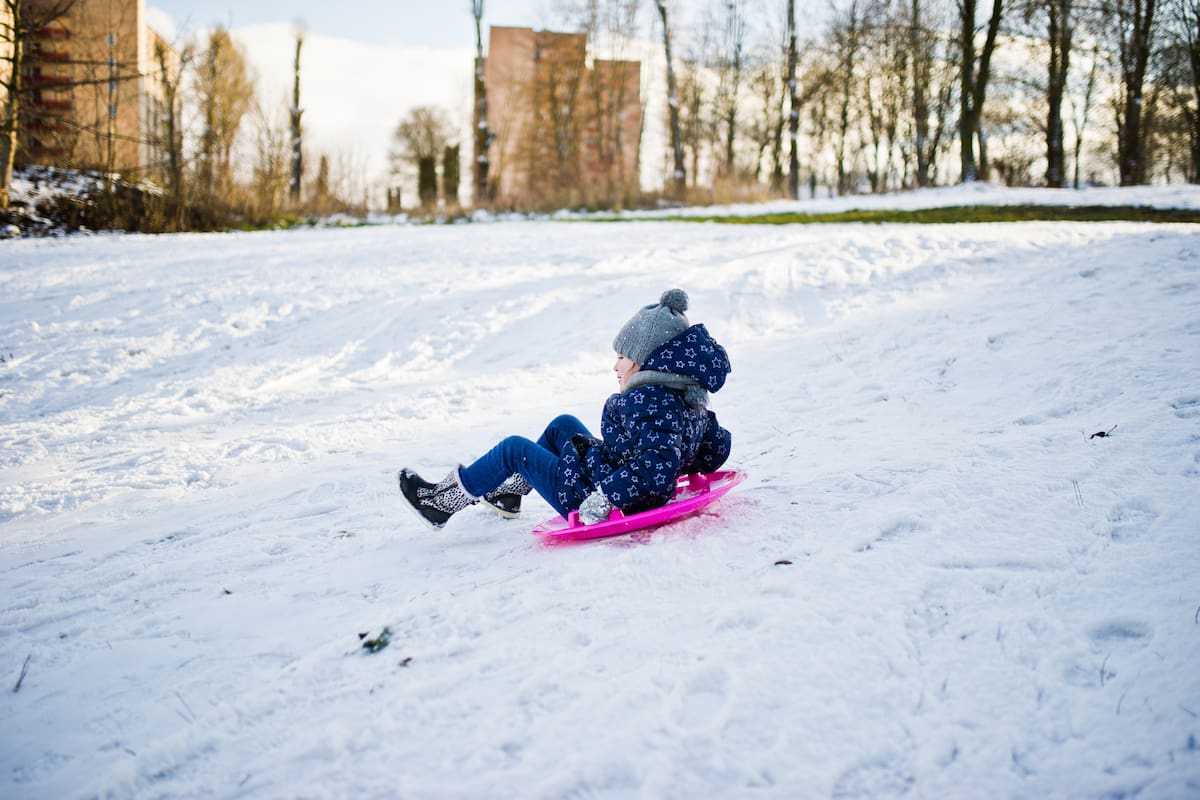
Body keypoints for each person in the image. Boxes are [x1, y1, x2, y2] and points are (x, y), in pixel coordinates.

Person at [398, 289, 732, 530]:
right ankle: (508, 495)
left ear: (645, 361)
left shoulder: (649, 401)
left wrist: (605, 499)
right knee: (564, 424)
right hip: (615, 478)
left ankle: (440, 503)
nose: (615, 366)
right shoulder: (686, 398)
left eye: (621, 357)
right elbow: (714, 449)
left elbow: (656, 465)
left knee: (513, 449)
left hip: (595, 497)